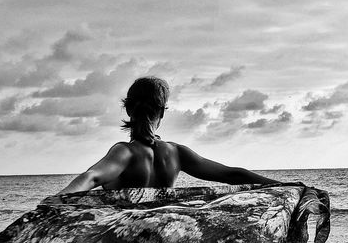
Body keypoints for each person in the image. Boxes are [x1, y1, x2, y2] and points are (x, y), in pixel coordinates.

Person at [58, 76, 280, 194]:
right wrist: (289, 186)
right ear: (163, 111)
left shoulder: (124, 153)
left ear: (128, 109)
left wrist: (57, 201)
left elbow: (92, 177)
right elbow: (233, 175)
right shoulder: (176, 153)